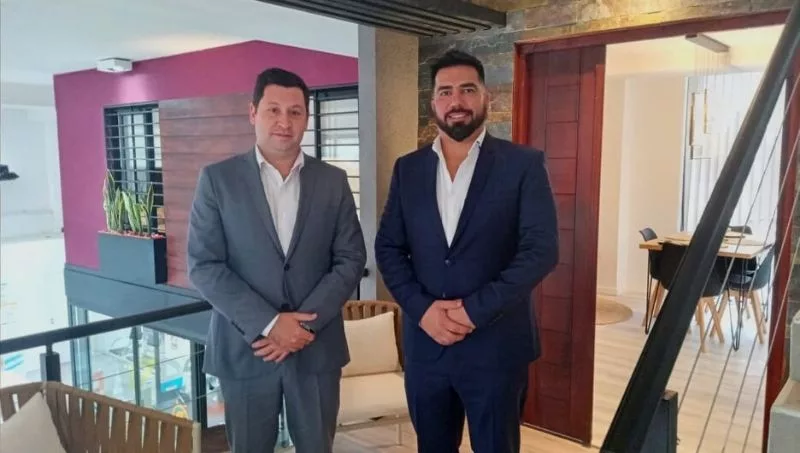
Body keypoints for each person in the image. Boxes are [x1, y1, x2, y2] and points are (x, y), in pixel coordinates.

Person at [374, 49, 559, 453]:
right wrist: (423, 311)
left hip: (496, 347)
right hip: (427, 347)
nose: (456, 100)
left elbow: (541, 250)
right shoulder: (408, 169)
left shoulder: (523, 164)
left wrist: (472, 311)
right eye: (445, 92)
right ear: (433, 104)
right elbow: (388, 248)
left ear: (486, 97)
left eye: (467, 89)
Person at [187, 67, 366, 453]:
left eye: (295, 112)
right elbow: (204, 265)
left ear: (307, 117)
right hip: (246, 349)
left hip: (315, 350)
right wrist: (269, 324)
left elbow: (351, 258)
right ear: (253, 112)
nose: (285, 122)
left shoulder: (333, 180)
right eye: (273, 110)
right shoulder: (217, 180)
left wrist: (301, 327)